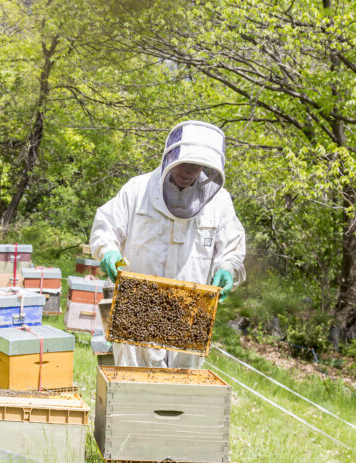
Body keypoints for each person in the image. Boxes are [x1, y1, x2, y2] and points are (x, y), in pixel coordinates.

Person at [90, 120, 246, 369]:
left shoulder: (220, 202)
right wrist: (108, 251)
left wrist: (227, 268)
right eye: (185, 163)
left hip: (189, 314)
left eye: (197, 165)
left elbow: (232, 248)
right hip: (137, 309)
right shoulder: (138, 189)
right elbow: (105, 226)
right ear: (171, 157)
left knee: (179, 388)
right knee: (133, 384)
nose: (189, 171)